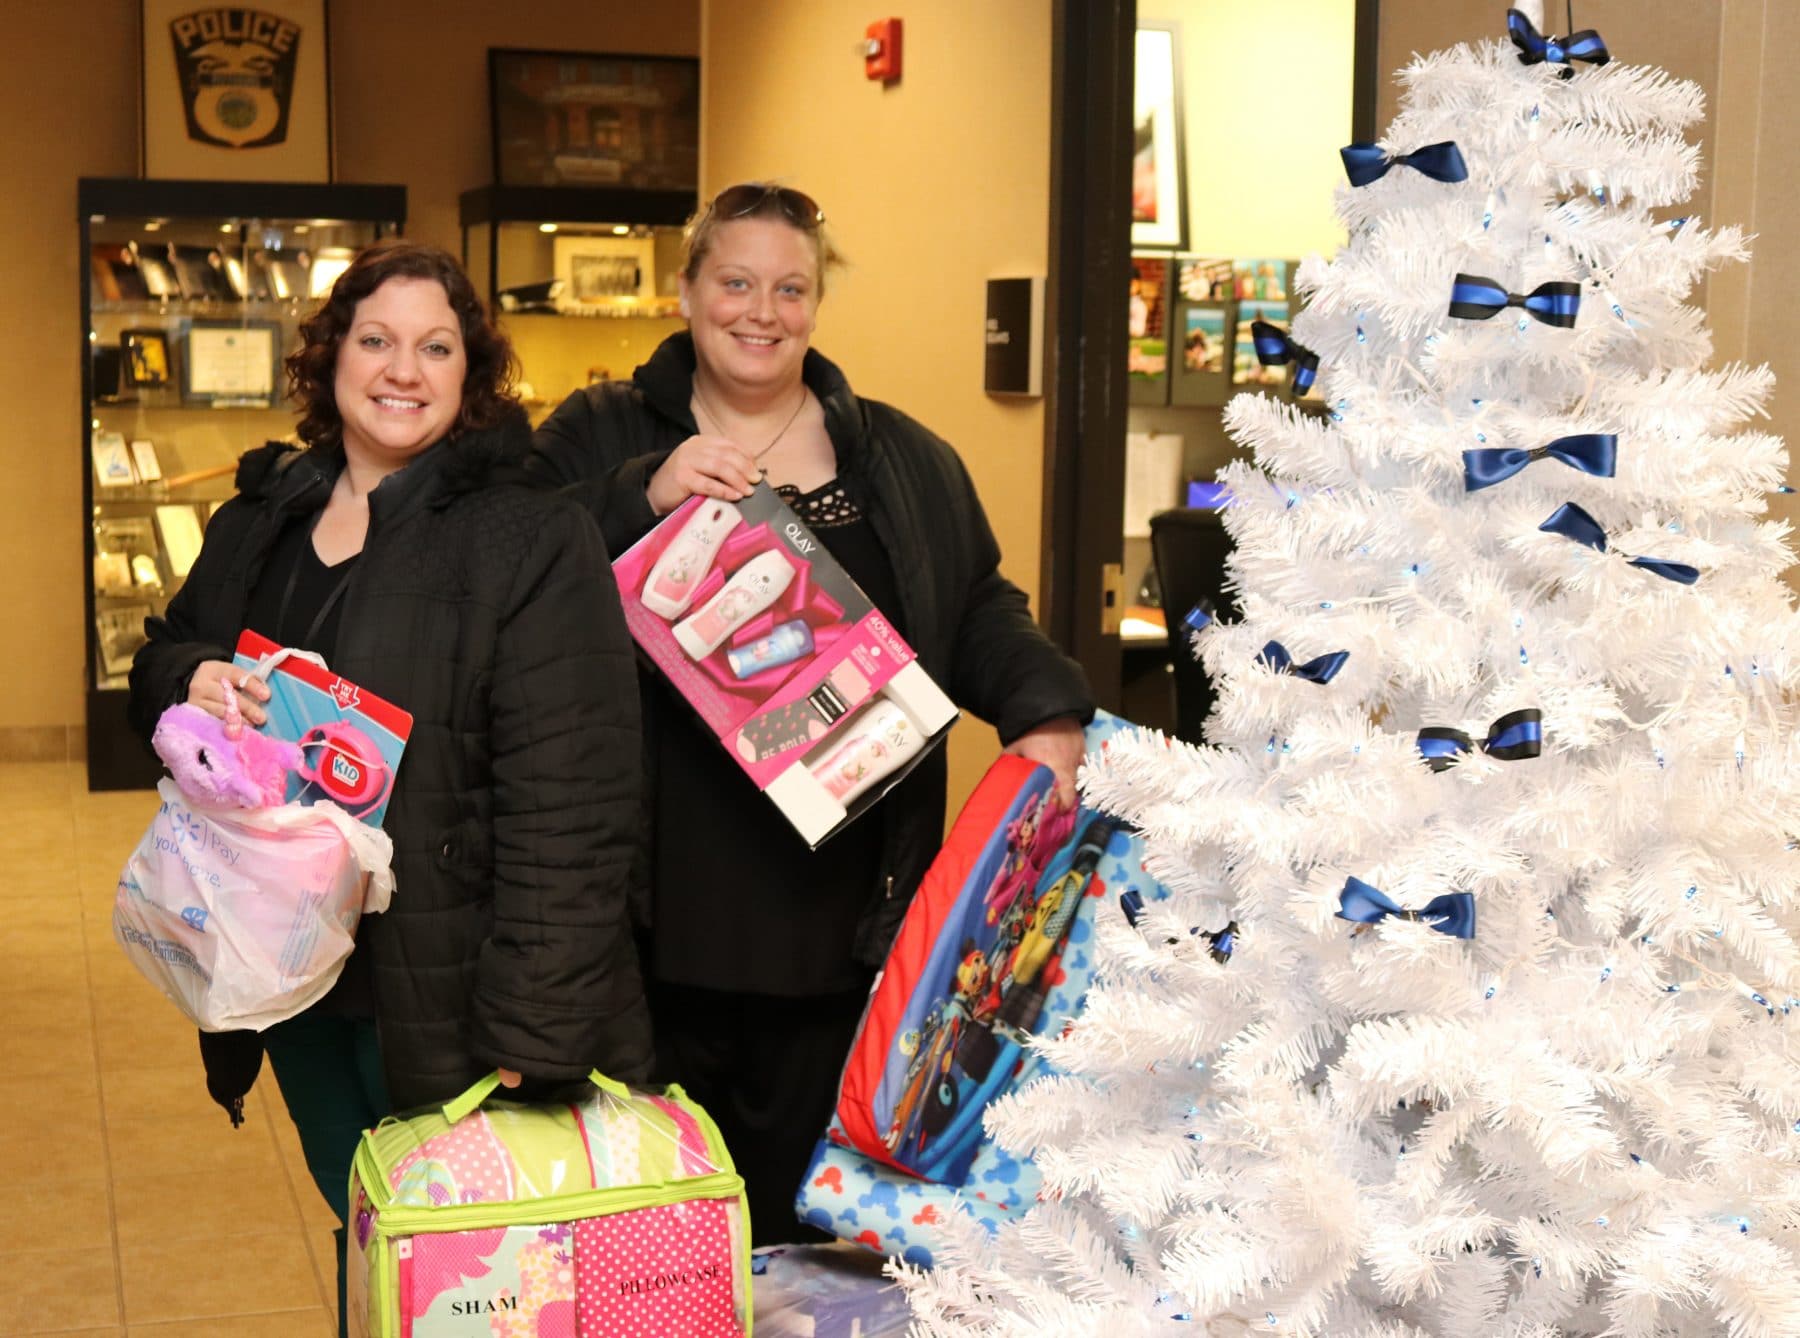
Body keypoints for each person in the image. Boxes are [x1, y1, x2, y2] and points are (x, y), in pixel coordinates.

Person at [528, 182, 1093, 1242]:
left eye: (790, 288)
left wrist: (1048, 710)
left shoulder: (897, 457)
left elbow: (972, 608)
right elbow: (502, 561)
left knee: (807, 1228)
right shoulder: (600, 432)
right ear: (686, 290)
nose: (761, 310)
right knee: (661, 1229)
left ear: (817, 303)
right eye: (735, 281)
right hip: (650, 913)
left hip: (841, 916)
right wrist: (637, 494)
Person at [128, 240, 651, 1334]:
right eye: (376, 340)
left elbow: (577, 802)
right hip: (293, 976)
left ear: (472, 377)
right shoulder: (262, 517)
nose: (402, 369)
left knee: (491, 1285)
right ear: (331, 361)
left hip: (453, 996)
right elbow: (161, 661)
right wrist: (198, 677)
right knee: (375, 1244)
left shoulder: (529, 537)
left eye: (436, 346)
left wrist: (538, 1024)